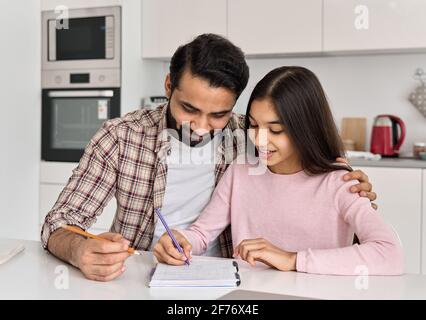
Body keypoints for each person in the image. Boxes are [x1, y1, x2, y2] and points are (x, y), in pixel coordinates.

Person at [41, 34, 377, 282]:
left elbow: (312, 161)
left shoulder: (252, 135)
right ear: (169, 85)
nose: (201, 128)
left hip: (232, 279)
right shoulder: (121, 137)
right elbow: (59, 221)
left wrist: (345, 180)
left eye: (218, 114)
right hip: (138, 276)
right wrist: (79, 250)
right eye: (189, 108)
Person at [153, 66, 403, 275]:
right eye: (253, 125)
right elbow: (201, 233)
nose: (260, 140)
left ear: (306, 128)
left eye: (275, 130)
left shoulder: (341, 183)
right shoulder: (241, 172)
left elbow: (389, 253)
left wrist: (292, 260)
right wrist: (180, 241)